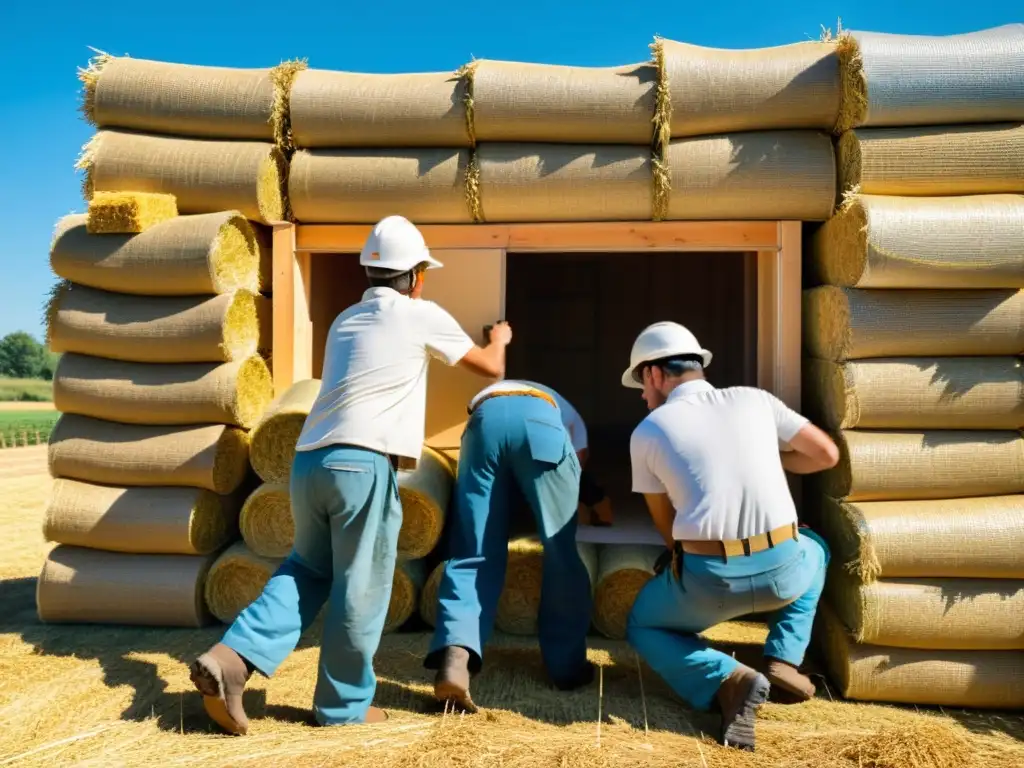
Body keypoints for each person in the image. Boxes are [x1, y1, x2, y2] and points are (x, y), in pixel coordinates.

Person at [189, 215, 512, 734]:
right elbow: (490, 368)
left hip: (309, 459)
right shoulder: (419, 314)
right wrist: (500, 336)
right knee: (360, 587)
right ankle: (342, 708)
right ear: (417, 277)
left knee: (307, 569)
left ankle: (232, 659)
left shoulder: (345, 319)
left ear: (369, 272)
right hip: (362, 465)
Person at [621, 321, 838, 752]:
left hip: (711, 583)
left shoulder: (648, 430)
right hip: (784, 571)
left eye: (641, 386)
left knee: (642, 623)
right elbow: (825, 454)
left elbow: (666, 527)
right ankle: (783, 659)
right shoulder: (755, 399)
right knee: (815, 548)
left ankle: (729, 678)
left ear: (653, 374)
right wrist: (771, 455)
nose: (644, 398)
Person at [424, 380, 595, 712]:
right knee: (560, 551)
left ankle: (455, 658)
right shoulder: (564, 412)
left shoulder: (502, 390)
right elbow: (578, 464)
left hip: (482, 422)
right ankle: (567, 668)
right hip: (539, 425)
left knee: (472, 550)